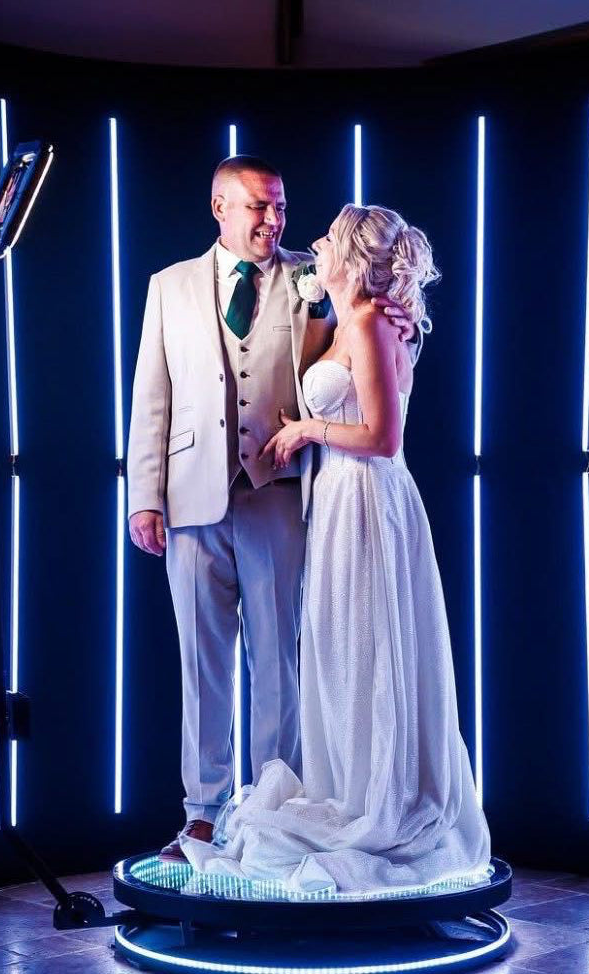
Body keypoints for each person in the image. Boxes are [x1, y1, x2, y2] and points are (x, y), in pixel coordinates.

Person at [179, 204, 492, 894]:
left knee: (368, 648)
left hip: (367, 499)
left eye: (325, 240)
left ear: (349, 257)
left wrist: (305, 431)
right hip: (337, 499)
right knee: (344, 650)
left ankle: (378, 799)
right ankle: (352, 784)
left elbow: (382, 436)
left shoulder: (374, 323)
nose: (312, 246)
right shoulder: (348, 319)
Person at [126, 158, 418, 862]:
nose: (274, 219)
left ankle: (272, 809)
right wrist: (144, 497)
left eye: (281, 206)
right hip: (190, 497)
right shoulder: (169, 285)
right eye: (259, 206)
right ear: (220, 207)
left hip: (280, 496)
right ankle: (202, 815)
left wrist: (398, 321)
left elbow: (362, 350)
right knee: (201, 668)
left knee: (279, 664)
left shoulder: (317, 277)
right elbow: (151, 396)